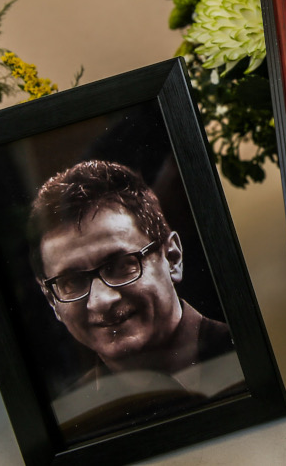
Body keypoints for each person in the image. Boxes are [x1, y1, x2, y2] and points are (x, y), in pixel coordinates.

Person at [28, 160, 242, 436]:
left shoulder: (247, 354)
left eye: (121, 265)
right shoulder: (68, 422)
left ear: (172, 258)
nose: (101, 300)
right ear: (51, 300)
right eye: (71, 282)